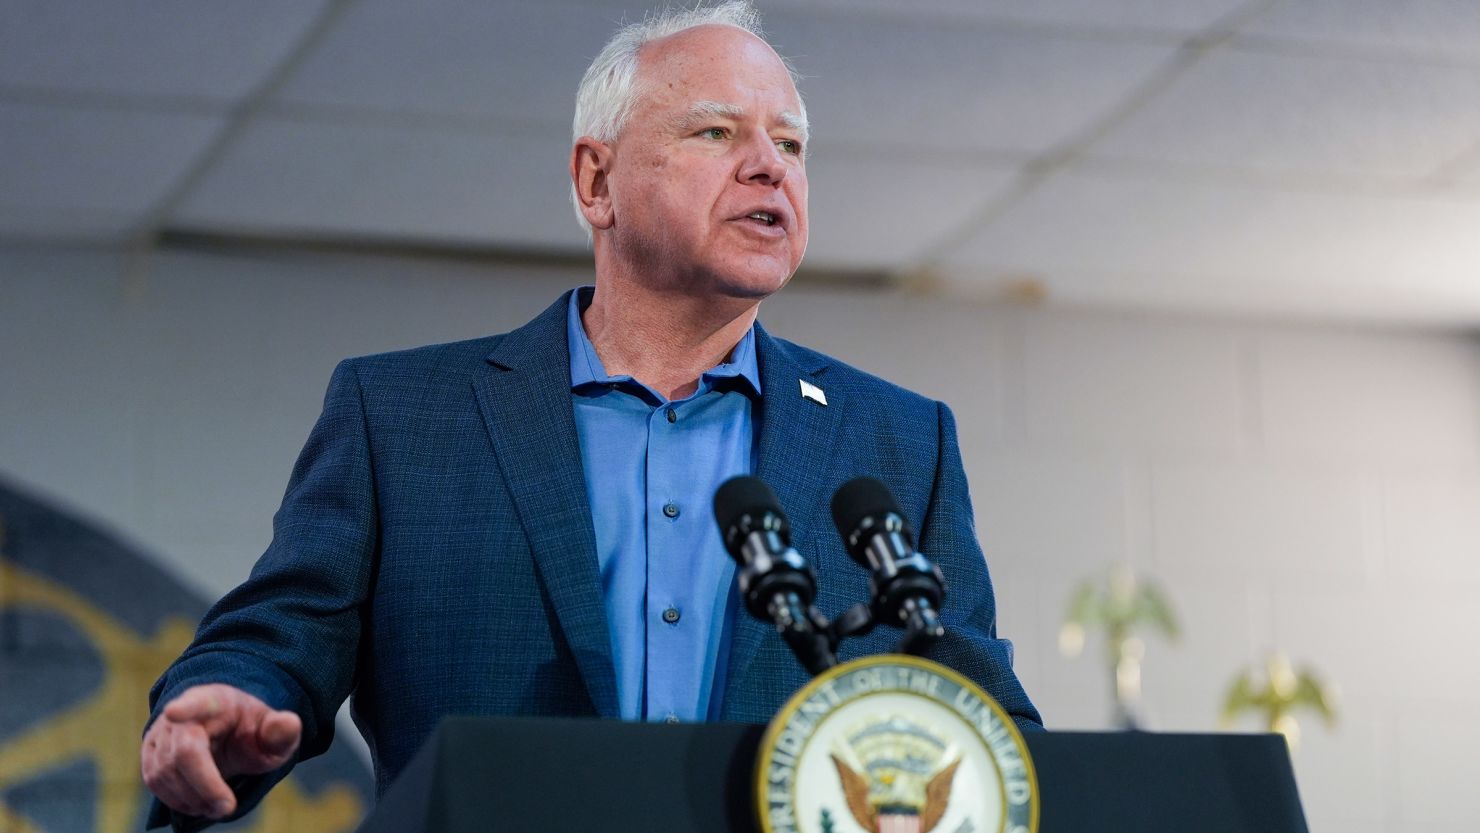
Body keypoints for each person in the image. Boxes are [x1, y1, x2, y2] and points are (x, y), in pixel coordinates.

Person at [140, 2, 1040, 827]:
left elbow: (993, 728)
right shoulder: (402, 418)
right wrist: (225, 702)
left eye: (792, 145)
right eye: (717, 130)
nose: (770, 163)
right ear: (595, 181)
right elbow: (281, 637)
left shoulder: (898, 441)